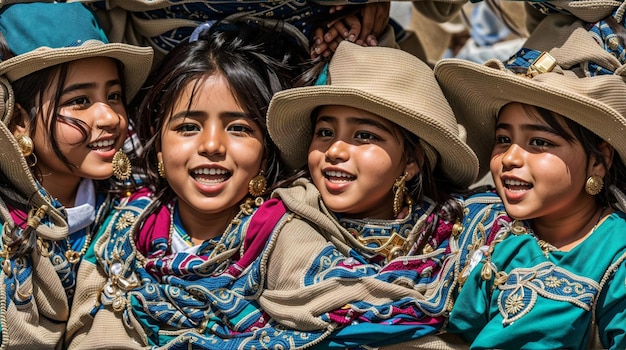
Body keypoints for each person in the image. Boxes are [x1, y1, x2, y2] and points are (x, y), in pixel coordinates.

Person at [65, 18, 315, 349]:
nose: (212, 145)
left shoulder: (290, 240)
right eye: (188, 127)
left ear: (267, 151)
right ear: (158, 145)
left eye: (239, 128)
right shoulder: (121, 235)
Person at [259, 40, 506, 348]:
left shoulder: (467, 225)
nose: (334, 151)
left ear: (412, 161)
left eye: (364, 135)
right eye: (325, 132)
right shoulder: (286, 224)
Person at [434, 13, 626, 349]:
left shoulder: (617, 256)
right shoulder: (496, 234)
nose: (510, 159)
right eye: (503, 139)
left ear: (600, 160)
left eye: (540, 142)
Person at [0, 2, 153, 348]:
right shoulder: (6, 223)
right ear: (18, 120)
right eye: (80, 101)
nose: (110, 117)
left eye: (113, 95)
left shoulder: (139, 211)